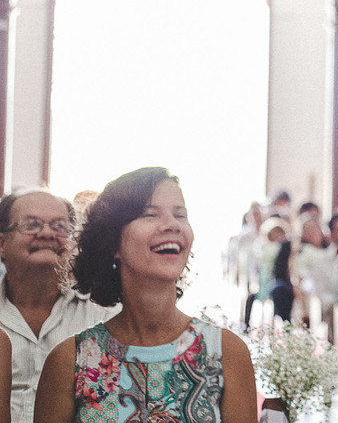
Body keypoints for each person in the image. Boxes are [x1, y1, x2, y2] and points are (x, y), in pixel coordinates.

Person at [33, 166, 257, 423]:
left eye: (180, 214)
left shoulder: (225, 353)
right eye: (150, 214)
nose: (171, 225)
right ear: (113, 241)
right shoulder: (70, 360)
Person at [0, 189, 110, 423]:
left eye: (60, 227)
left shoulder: (106, 314)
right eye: (31, 224)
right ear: (2, 243)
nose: (47, 233)